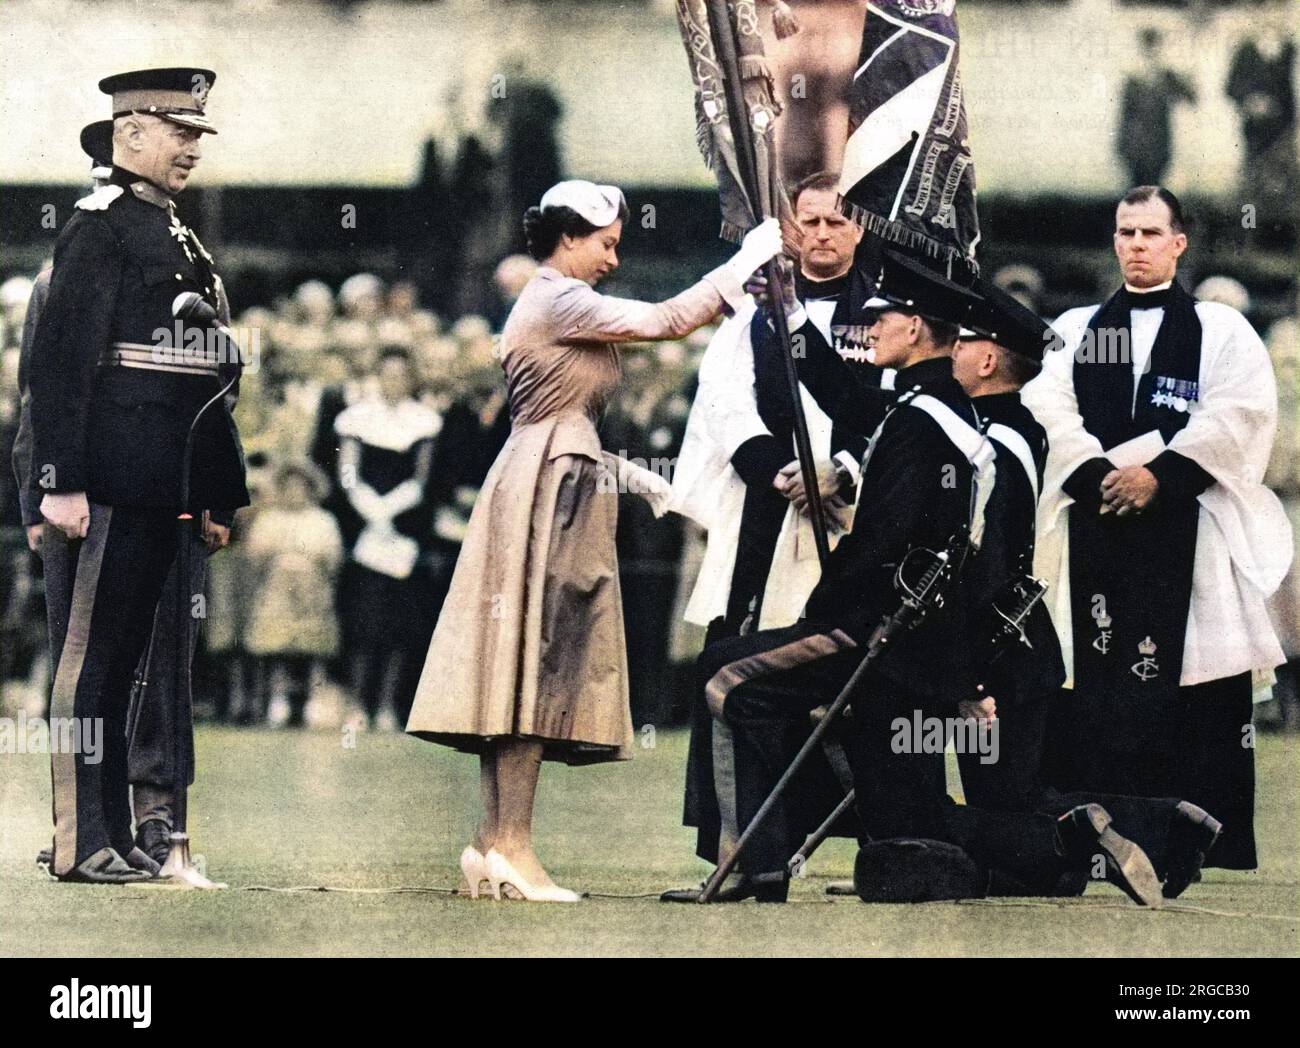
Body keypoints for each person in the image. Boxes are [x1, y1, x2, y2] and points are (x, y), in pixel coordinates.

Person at [405, 179, 783, 901]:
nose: (612, 257)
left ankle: (493, 842)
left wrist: (642, 479)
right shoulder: (557, 296)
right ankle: (513, 845)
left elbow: (559, 415)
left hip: (552, 472)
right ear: (569, 237)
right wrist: (741, 264)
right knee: (540, 656)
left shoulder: (552, 301)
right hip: (552, 483)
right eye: (606, 244)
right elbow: (671, 320)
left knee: (523, 656)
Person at [1024, 186, 1291, 870]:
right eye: (1125, 232)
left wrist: (1161, 475)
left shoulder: (1219, 328)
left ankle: (1200, 838)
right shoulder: (1082, 327)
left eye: (1150, 233)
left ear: (1179, 242)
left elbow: (1238, 413)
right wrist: (1093, 475)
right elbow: (1048, 403)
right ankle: (1100, 832)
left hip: (1187, 528)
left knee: (1195, 675)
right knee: (1094, 672)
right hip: (1096, 522)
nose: (1135, 245)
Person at [28, 68, 248, 883]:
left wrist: (216, 490)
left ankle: (113, 836)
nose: (192, 147)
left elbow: (203, 379)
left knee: (124, 667)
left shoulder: (179, 237)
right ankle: (80, 838)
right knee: (91, 663)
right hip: (113, 477)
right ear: (131, 134)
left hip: (163, 480)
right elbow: (59, 364)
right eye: (179, 131)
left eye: (196, 134)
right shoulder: (99, 227)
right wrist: (61, 479)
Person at [671, 170, 891, 869]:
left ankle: (865, 837)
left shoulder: (888, 310)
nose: (823, 234)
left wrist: (842, 472)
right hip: (767, 508)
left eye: (837, 221)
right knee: (742, 655)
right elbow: (723, 403)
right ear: (791, 228)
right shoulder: (752, 313)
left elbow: (887, 406)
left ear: (859, 228)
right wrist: (778, 468)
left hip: (851, 514)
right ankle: (741, 843)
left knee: (841, 682)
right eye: (811, 221)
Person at [334, 346, 439, 731]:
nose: (395, 381)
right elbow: (348, 474)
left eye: (402, 374)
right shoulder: (356, 418)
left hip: (404, 534)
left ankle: (387, 707)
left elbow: (421, 479)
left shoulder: (425, 421)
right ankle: (358, 706)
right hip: (365, 532)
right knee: (364, 623)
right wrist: (372, 513)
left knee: (400, 627)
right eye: (388, 374)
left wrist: (391, 512)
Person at [1116, 28, 1196, 188]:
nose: (1151, 53)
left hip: (1159, 146)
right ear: (1141, 50)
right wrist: (1123, 147)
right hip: (1136, 147)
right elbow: (1125, 116)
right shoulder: (1133, 79)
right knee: (1136, 192)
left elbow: (1190, 97)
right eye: (1147, 48)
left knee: (1154, 190)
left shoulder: (1166, 76)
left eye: (1155, 47)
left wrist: (1189, 79)